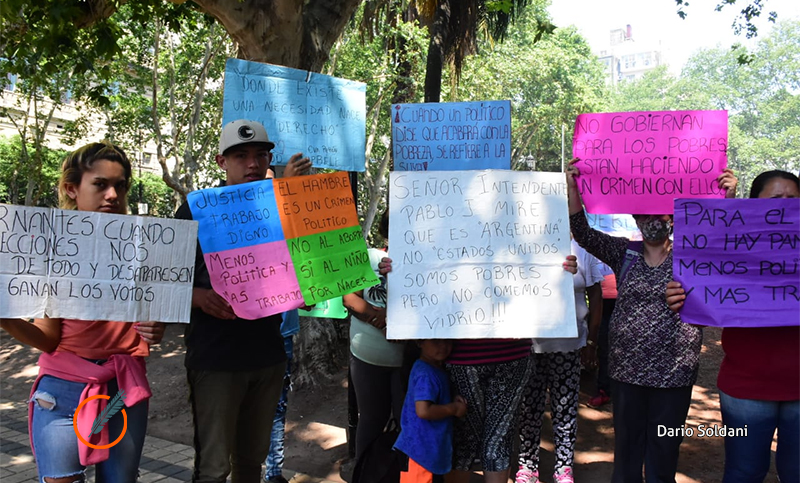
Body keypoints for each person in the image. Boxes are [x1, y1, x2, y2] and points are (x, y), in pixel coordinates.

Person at [0, 142, 165, 483]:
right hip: (61, 395)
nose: (112, 195)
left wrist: (156, 328)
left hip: (122, 393)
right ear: (71, 189)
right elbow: (47, 339)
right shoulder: (51, 249)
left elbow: (153, 322)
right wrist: (5, 317)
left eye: (120, 186)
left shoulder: (144, 248)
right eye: (100, 184)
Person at [565, 159, 737, 482]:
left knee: (663, 455)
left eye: (659, 213)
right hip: (626, 373)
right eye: (644, 213)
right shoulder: (622, 252)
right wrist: (573, 188)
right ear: (635, 217)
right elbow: (584, 232)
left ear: (671, 218)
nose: (651, 220)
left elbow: (724, 241)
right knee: (627, 456)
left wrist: (728, 197)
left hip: (675, 376)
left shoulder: (692, 254)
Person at [174, 119, 308, 483]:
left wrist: (307, 291)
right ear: (221, 162)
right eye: (241, 155)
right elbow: (160, 282)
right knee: (215, 468)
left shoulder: (283, 210)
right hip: (215, 360)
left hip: (268, 357)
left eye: (260, 155)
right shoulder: (195, 209)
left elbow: (302, 273)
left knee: (252, 462)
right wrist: (198, 297)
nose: (252, 163)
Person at [377, 255, 579, 483]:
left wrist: (557, 270)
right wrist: (397, 274)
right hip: (477, 357)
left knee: (479, 439)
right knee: (482, 439)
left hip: (499, 358)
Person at [666, 170, 799, 483]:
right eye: (775, 198)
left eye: (793, 199)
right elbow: (703, 276)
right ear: (753, 206)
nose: (784, 205)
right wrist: (681, 297)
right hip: (746, 388)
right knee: (744, 472)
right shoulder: (733, 251)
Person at [516, 240, 604, 483]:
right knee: (530, 408)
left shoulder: (584, 248)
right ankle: (527, 464)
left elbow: (596, 296)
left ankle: (563, 467)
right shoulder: (524, 241)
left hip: (569, 344)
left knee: (565, 407)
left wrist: (592, 342)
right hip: (530, 344)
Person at [342, 210, 406, 464]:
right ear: (386, 230)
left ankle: (402, 476)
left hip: (408, 361)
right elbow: (349, 297)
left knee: (408, 422)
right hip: (367, 358)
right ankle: (364, 472)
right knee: (370, 419)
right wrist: (378, 318)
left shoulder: (427, 262)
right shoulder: (368, 257)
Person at [263, 155, 311, 483]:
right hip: (245, 335)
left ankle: (274, 473)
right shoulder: (243, 222)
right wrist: (285, 187)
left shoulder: (290, 226)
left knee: (277, 409)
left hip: (282, 334)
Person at [394, 339, 467, 483]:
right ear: (420, 342)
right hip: (420, 453)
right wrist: (454, 408)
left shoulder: (431, 368)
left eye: (448, 341)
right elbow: (423, 411)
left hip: (425, 451)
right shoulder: (426, 373)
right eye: (436, 341)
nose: (443, 346)